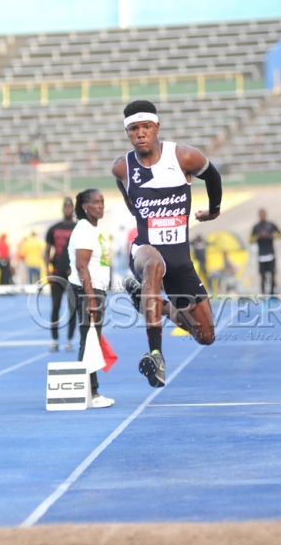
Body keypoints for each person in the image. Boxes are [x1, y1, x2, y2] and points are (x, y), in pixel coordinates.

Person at [112, 99, 222, 389]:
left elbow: (213, 176)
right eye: (133, 129)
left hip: (180, 260)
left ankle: (153, 304)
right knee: (153, 264)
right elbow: (131, 204)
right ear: (127, 133)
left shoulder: (184, 157)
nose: (140, 133)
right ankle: (156, 354)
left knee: (206, 335)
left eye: (146, 126)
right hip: (145, 250)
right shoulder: (122, 168)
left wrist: (214, 210)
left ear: (156, 127)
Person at [68, 189, 114, 408]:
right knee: (89, 341)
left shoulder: (94, 229)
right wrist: (91, 298)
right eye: (95, 202)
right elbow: (81, 265)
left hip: (95, 290)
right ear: (85, 206)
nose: (100, 206)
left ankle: (85, 390)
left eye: (102, 202)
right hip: (88, 291)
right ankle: (91, 393)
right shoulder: (84, 229)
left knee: (91, 339)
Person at [45, 197, 77, 353]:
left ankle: (69, 340)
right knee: (55, 307)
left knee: (72, 308)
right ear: (62, 209)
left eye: (70, 207)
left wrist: (77, 269)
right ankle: (54, 340)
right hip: (57, 274)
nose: (68, 209)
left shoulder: (78, 228)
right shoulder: (54, 229)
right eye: (66, 207)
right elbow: (47, 251)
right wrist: (47, 272)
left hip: (72, 275)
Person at [249, 209, 281, 295]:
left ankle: (272, 294)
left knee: (272, 276)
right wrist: (259, 236)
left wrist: (272, 236)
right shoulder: (256, 227)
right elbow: (250, 239)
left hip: (270, 254)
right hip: (261, 256)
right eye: (261, 215)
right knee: (262, 277)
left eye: (263, 215)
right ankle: (263, 295)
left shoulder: (271, 225)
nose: (262, 216)